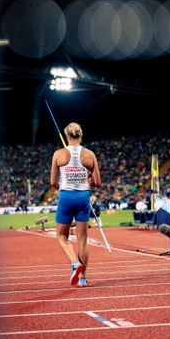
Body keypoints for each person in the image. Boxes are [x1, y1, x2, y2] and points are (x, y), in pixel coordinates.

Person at [50, 122, 101, 287]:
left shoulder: (58, 154)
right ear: (80, 135)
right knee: (82, 240)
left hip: (66, 196)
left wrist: (64, 188)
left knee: (62, 236)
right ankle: (83, 278)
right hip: (83, 197)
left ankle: (74, 264)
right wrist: (85, 185)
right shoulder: (89, 154)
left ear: (66, 136)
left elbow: (52, 182)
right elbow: (98, 182)